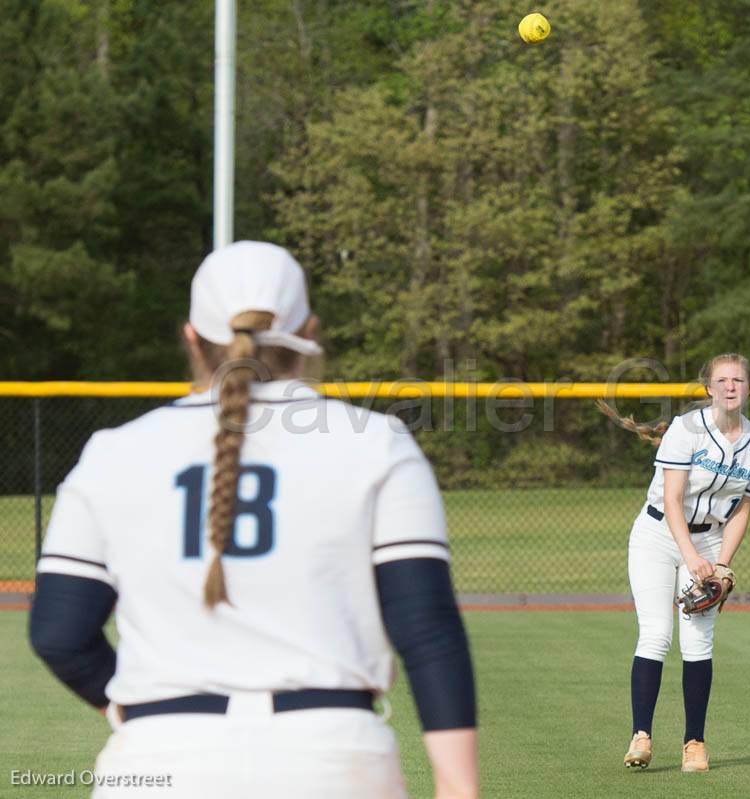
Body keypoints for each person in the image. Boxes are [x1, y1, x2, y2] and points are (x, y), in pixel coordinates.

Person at [27, 241, 478, 798]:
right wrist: (459, 788)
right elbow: (427, 628)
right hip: (332, 757)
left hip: (159, 760)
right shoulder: (377, 443)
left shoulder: (113, 452)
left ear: (190, 337)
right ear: (309, 333)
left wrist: (131, 710)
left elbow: (58, 634)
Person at [604, 353, 750, 773]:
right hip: (659, 535)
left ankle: (694, 744)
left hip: (712, 539)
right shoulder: (686, 429)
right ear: (708, 388)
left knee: (698, 642)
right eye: (722, 380)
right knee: (657, 635)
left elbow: (743, 511)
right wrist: (693, 557)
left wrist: (721, 564)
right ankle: (640, 736)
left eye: (738, 380)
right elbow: (673, 500)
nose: (730, 386)